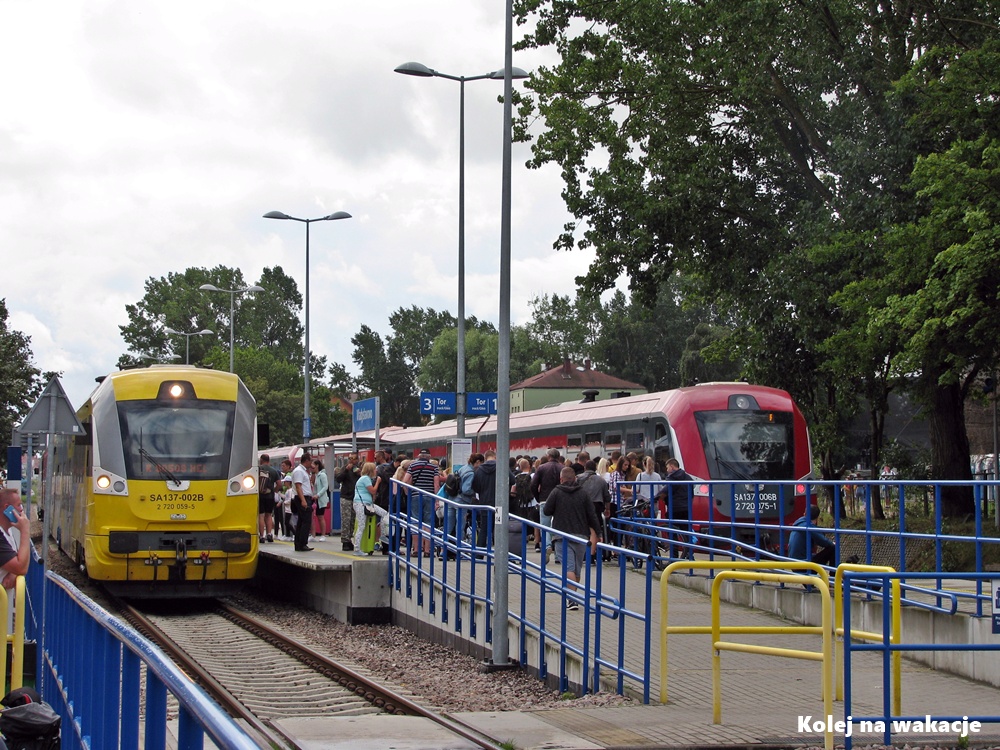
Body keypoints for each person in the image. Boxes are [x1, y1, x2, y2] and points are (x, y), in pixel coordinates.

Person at [543, 467, 601, 611]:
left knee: (568, 568)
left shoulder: (556, 492)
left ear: (561, 479)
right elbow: (592, 515)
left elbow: (546, 511)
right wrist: (598, 534)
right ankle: (572, 598)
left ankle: (572, 600)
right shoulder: (583, 493)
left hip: (561, 536)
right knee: (576, 570)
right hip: (581, 536)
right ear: (575, 478)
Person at [787, 505, 855, 567]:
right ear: (817, 518)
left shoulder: (798, 524)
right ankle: (834, 575)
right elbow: (824, 542)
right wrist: (832, 544)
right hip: (803, 564)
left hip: (794, 563)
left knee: (816, 555)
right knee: (833, 548)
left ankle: (836, 570)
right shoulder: (808, 526)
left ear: (804, 514)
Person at [472, 450, 514, 548]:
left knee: (484, 528)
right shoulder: (502, 467)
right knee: (500, 528)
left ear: (485, 458)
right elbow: (512, 480)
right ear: (495, 457)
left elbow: (475, 487)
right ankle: (499, 551)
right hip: (500, 504)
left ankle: (479, 552)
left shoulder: (479, 470)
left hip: (485, 503)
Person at [403, 449, 441, 555]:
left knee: (415, 522)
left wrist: (408, 494)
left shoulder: (412, 466)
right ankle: (428, 550)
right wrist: (437, 499)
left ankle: (416, 549)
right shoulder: (434, 467)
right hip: (429, 496)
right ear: (429, 457)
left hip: (415, 496)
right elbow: (436, 484)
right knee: (428, 523)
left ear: (419, 456)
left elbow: (405, 482)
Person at [660, 458, 695, 559]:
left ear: (671, 466)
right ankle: (689, 555)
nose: (667, 470)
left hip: (674, 509)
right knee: (686, 533)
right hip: (686, 508)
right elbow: (692, 494)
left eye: (667, 468)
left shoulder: (672, 478)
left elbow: (664, 491)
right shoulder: (688, 477)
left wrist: (655, 498)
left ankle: (674, 558)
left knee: (673, 534)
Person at [353, 462, 389, 554]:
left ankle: (383, 534)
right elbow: (373, 491)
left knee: (384, 514)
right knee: (361, 526)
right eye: (374, 469)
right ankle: (357, 548)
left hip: (367, 503)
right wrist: (378, 482)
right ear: (370, 470)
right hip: (361, 504)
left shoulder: (366, 479)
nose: (376, 470)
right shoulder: (365, 478)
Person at [0, 489, 32, 589]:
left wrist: (13, 573)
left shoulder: (7, 532)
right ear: (7, 508)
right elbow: (21, 567)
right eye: (19, 505)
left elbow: (19, 561)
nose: (21, 510)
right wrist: (25, 531)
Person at [336, 454, 362, 551]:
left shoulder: (359, 469)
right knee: (346, 519)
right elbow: (338, 479)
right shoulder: (344, 468)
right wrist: (346, 470)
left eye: (354, 459)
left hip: (356, 498)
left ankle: (350, 538)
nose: (352, 461)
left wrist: (360, 474)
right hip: (346, 497)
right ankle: (345, 541)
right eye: (350, 459)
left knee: (353, 520)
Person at [291, 453, 315, 552]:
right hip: (302, 497)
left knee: (301, 521)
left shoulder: (304, 471)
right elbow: (298, 486)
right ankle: (302, 543)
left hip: (305, 497)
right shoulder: (299, 471)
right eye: (311, 461)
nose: (312, 463)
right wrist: (303, 500)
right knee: (306, 521)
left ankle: (299, 544)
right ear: (306, 461)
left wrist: (313, 471)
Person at [257, 454, 280, 544]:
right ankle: (269, 534)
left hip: (260, 496)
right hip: (270, 496)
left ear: (261, 460)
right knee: (269, 515)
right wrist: (274, 491)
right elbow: (279, 484)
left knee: (261, 515)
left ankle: (262, 536)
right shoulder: (274, 471)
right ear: (269, 460)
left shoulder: (258, 469)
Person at [312, 460, 330, 541]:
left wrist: (318, 495)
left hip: (320, 499)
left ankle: (323, 535)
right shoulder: (315, 475)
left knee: (320, 516)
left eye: (313, 465)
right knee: (314, 516)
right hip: (314, 498)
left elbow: (325, 487)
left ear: (317, 465)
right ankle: (313, 534)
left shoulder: (322, 475)